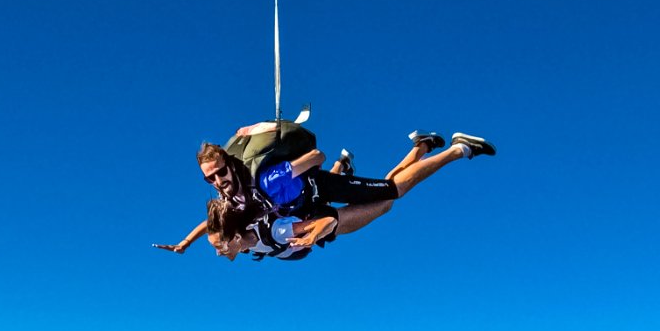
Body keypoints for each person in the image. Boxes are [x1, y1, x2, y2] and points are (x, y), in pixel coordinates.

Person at [154, 128, 494, 260]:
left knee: (392, 192)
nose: (217, 181)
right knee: (385, 195)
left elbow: (315, 158)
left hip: (318, 188)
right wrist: (185, 243)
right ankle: (422, 146)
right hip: (306, 205)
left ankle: (456, 149)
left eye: (220, 172)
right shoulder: (231, 203)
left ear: (230, 165)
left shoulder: (265, 181)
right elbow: (211, 225)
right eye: (209, 178)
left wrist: (277, 147)